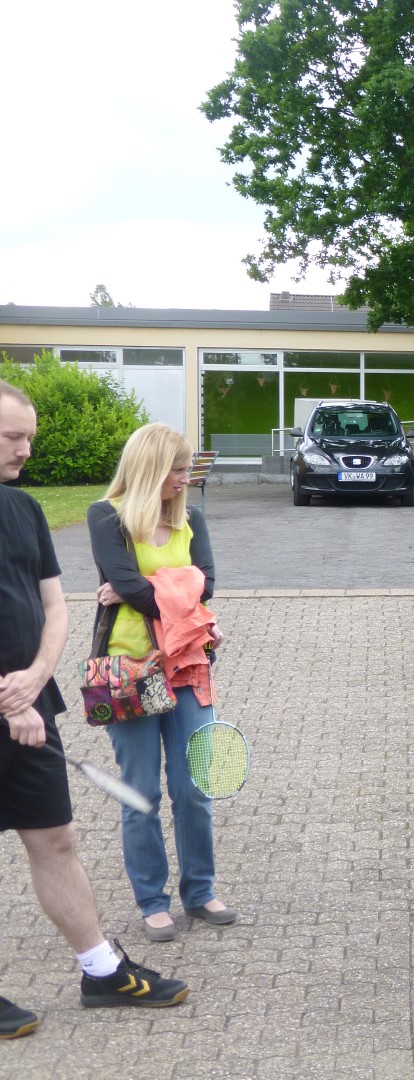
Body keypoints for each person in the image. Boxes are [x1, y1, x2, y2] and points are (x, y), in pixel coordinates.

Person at [0, 383, 187, 1037]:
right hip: (12, 706)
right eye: (12, 437)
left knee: (55, 838)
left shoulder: (23, 509)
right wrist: (8, 697)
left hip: (33, 704)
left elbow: (55, 606)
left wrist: (34, 681)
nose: (26, 449)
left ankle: (102, 971)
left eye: (29, 437)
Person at [88, 422, 236, 941]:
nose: (184, 478)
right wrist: (172, 588)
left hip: (188, 664)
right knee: (142, 792)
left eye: (187, 468)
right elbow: (134, 587)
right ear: (149, 467)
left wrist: (146, 586)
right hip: (131, 670)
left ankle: (200, 891)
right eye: (176, 468)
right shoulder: (107, 517)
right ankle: (152, 901)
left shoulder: (191, 518)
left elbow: (207, 585)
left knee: (193, 787)